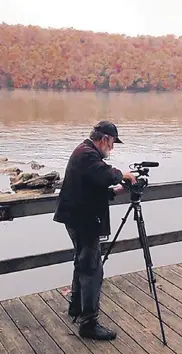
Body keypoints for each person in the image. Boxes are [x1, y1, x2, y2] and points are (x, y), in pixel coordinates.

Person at [53, 120, 137, 341]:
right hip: (83, 220)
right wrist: (124, 175)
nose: (113, 148)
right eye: (112, 143)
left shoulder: (86, 153)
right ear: (105, 139)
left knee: (82, 263)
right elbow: (105, 174)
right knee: (92, 269)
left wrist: (118, 190)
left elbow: (93, 187)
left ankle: (77, 308)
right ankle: (88, 323)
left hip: (79, 216)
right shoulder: (87, 154)